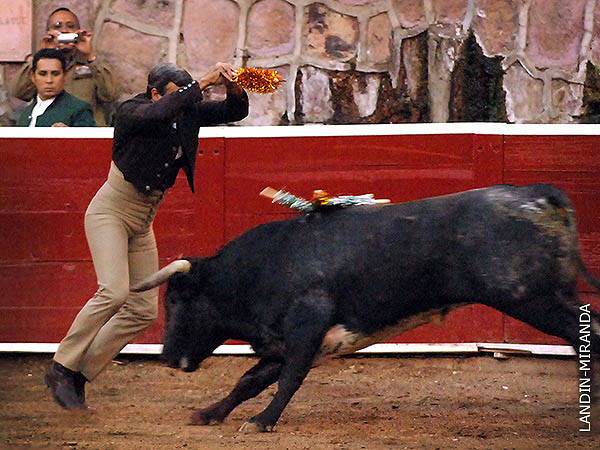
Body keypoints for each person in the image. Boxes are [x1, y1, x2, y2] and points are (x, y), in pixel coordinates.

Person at [43, 62, 249, 410]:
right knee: (113, 292)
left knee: (141, 311)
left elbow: (234, 110)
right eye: (174, 96)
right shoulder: (132, 111)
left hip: (143, 220)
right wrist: (204, 82)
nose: (184, 104)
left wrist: (234, 85)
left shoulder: (184, 111)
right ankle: (61, 366)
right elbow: (160, 112)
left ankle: (80, 376)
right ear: (154, 92)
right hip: (111, 212)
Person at [9, 7, 119, 126]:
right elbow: (19, 92)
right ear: (48, 32)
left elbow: (111, 94)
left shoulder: (90, 63)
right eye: (57, 27)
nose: (64, 30)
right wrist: (41, 54)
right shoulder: (44, 66)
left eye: (70, 26)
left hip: (86, 132)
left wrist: (90, 56)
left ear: (78, 31)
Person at [17, 48, 96, 127]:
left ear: (64, 76)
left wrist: (69, 134)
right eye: (43, 74)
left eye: (55, 74)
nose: (49, 80)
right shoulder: (27, 112)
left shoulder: (79, 109)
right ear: (33, 77)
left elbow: (89, 138)